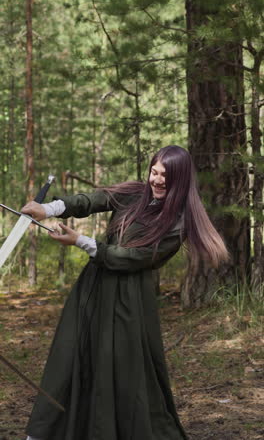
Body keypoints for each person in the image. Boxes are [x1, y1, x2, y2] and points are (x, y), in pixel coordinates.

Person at [22, 145, 228, 440]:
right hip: (91, 290)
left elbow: (133, 258)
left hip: (129, 302)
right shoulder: (134, 193)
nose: (156, 180)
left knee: (121, 371)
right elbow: (91, 200)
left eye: (165, 177)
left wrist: (80, 241)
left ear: (181, 180)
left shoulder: (179, 222)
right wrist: (48, 209)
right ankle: (47, 433)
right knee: (69, 356)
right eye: (154, 172)